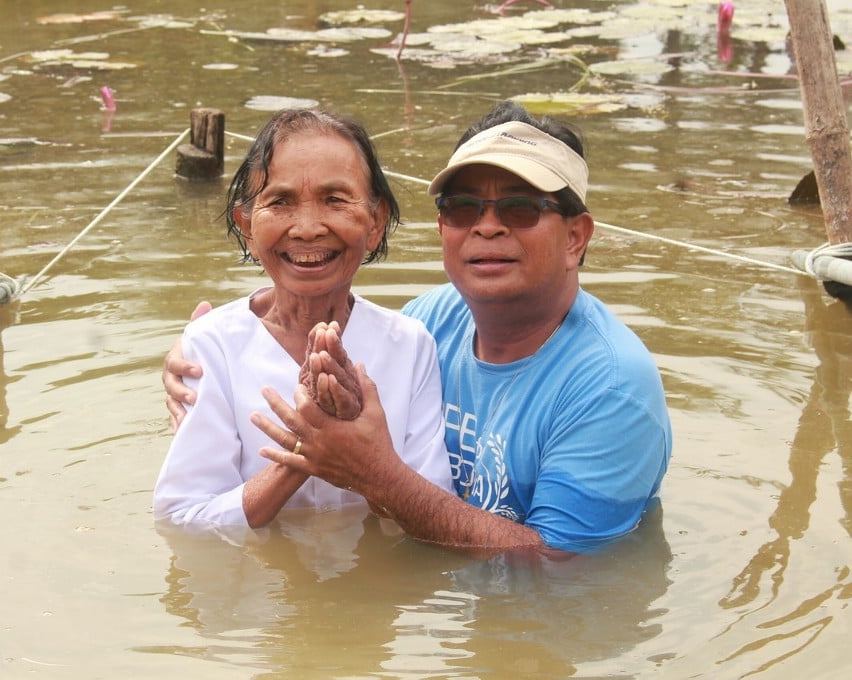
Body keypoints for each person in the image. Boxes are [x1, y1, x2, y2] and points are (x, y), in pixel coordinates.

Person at [165, 101, 672, 554]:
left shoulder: (611, 387)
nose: (487, 226)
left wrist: (367, 473)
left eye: (521, 207)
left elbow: (561, 570)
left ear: (575, 238)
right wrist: (202, 354)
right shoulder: (430, 325)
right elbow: (184, 514)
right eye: (463, 207)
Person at [152, 108, 453, 529]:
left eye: (335, 200)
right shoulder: (211, 347)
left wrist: (359, 459)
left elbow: (434, 509)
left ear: (375, 223)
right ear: (247, 228)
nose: (308, 228)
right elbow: (182, 519)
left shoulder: (410, 344)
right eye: (280, 201)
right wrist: (305, 450)